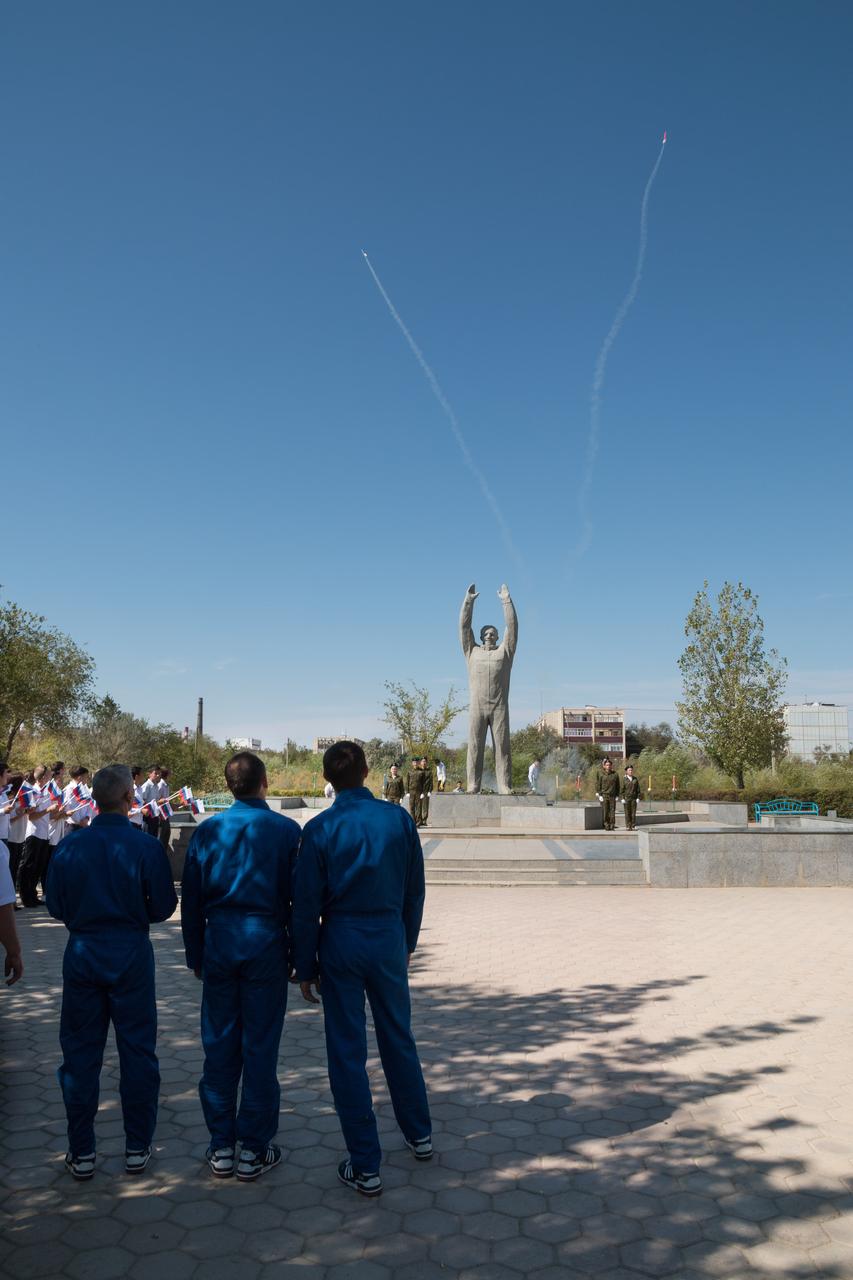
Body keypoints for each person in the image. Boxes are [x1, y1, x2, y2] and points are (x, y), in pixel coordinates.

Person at [292, 741, 431, 1197]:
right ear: (368, 771)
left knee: (346, 1051)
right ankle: (420, 1134)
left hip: (341, 942)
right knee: (398, 1036)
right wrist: (407, 942)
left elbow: (306, 905)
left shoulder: (320, 828)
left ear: (326, 778)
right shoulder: (398, 819)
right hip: (387, 938)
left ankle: (365, 1164)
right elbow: (414, 890)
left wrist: (305, 965)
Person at [45, 765, 177, 1180]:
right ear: (129, 799)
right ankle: (137, 1146)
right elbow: (162, 908)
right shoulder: (146, 847)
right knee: (137, 1051)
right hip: (130, 953)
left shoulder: (71, 846)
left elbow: (55, 906)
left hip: (83, 952)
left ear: (95, 801)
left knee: (80, 1054)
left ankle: (82, 1150)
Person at [181, 751, 300, 1181]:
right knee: (260, 1048)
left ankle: (221, 1147)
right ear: (264, 783)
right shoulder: (286, 831)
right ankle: (253, 1149)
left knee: (219, 1047)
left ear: (228, 786)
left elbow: (191, 901)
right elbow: (299, 900)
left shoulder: (208, 831)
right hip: (266, 943)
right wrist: (300, 956)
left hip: (220, 944)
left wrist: (196, 954)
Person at [460, 583, 518, 793]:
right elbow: (464, 627)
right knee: (474, 747)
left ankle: (504, 784)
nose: (489, 635)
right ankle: (473, 784)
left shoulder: (505, 652)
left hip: (499, 707)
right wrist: (468, 602)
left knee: (502, 747)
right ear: (480, 636)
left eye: (493, 633)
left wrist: (506, 601)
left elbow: (512, 628)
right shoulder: (471, 651)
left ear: (498, 637)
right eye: (486, 633)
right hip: (477, 706)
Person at [18, 765, 52, 907]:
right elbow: (31, 816)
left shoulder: (46, 791)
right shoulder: (33, 791)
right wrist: (47, 810)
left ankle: (33, 895)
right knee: (29, 866)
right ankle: (26, 896)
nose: (51, 777)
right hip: (34, 833)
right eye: (49, 775)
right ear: (43, 777)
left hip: (44, 833)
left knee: (39, 866)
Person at [4, 772, 27, 896]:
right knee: (10, 868)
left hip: (20, 836)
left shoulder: (23, 797)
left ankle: (12, 895)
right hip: (12, 837)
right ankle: (9, 896)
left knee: (16, 866)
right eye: (22, 781)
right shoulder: (10, 798)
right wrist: (20, 814)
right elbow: (9, 819)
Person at [64, 767, 92, 834]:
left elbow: (89, 804)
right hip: (73, 826)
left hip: (84, 824)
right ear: (80, 777)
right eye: (86, 777)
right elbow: (70, 807)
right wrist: (80, 822)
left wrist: (87, 817)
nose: (87, 779)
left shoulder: (85, 788)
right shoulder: (69, 789)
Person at [595, 757, 620, 831]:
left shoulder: (615, 774)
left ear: (611, 766)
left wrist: (617, 795)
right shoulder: (601, 774)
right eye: (607, 765)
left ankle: (612, 825)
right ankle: (606, 825)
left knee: (612, 811)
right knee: (605, 811)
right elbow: (598, 784)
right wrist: (599, 794)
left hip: (612, 796)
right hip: (604, 795)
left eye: (609, 765)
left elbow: (618, 785)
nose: (608, 766)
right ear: (604, 766)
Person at [140, 766, 162, 839]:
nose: (158, 775)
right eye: (156, 773)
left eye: (159, 774)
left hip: (155, 816)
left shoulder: (156, 786)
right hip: (148, 817)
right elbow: (142, 801)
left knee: (154, 838)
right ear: (149, 774)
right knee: (147, 838)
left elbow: (156, 801)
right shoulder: (146, 786)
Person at [405, 757, 425, 827]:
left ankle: (418, 822)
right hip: (411, 792)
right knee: (412, 807)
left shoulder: (421, 772)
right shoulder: (409, 771)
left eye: (416, 762)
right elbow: (407, 782)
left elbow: (424, 783)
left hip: (419, 792)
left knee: (418, 808)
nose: (415, 763)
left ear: (418, 763)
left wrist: (423, 792)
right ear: (412, 763)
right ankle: (413, 822)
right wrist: (407, 792)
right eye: (414, 762)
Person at [622, 764, 641, 832]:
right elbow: (622, 789)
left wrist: (638, 797)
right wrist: (622, 798)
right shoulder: (624, 779)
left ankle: (633, 825)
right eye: (629, 770)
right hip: (627, 798)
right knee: (627, 813)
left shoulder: (635, 779)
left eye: (631, 770)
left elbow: (638, 789)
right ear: (626, 771)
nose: (630, 771)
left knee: (633, 813)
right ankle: (628, 826)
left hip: (633, 798)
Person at [157, 767, 172, 851]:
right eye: (170, 774)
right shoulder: (160, 785)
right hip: (161, 814)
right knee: (162, 836)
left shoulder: (166, 785)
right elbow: (156, 800)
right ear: (167, 775)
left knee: (167, 834)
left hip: (166, 813)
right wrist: (162, 801)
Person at [420, 757, 433, 826]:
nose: (424, 763)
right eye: (422, 761)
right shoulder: (418, 770)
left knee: (425, 806)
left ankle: (424, 820)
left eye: (425, 761)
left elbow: (431, 782)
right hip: (418, 791)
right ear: (420, 763)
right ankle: (418, 820)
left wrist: (429, 791)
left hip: (425, 791)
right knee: (418, 806)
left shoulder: (429, 771)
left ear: (426, 763)